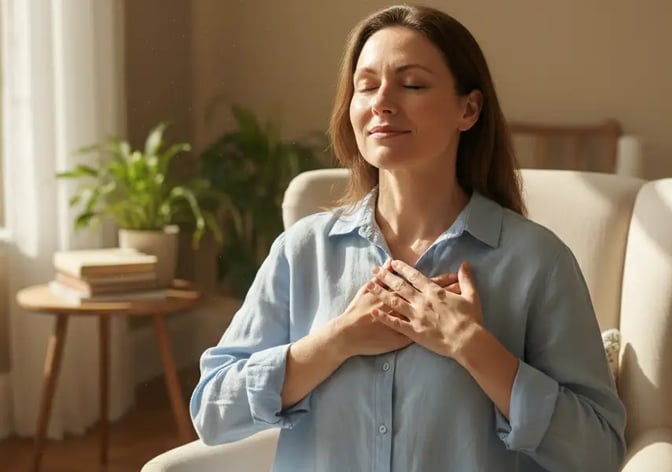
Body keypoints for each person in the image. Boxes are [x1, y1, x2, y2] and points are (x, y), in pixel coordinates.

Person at [190, 5, 626, 471]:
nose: (381, 102)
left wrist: (471, 345)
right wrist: (338, 340)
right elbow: (212, 413)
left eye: (412, 84)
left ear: (469, 108)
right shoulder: (302, 251)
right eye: (366, 85)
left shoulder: (538, 261)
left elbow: (598, 452)